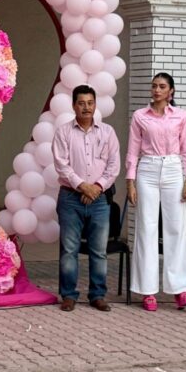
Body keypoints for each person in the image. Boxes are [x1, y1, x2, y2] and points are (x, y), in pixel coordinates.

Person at [126, 72, 186, 312]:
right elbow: (132, 151)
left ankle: (180, 288)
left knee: (176, 226)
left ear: (171, 91)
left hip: (173, 168)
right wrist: (130, 181)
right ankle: (147, 290)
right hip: (148, 168)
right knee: (147, 227)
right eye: (154, 86)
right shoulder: (140, 116)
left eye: (162, 86)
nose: (156, 90)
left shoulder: (181, 116)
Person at [52, 85, 121, 312]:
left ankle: (97, 295)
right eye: (81, 103)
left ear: (95, 105)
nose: (86, 108)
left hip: (99, 200)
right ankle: (68, 295)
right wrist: (83, 187)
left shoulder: (107, 132)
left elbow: (113, 166)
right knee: (69, 249)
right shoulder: (63, 132)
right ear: (73, 106)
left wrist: (96, 188)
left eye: (90, 103)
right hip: (70, 198)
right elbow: (62, 165)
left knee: (99, 250)